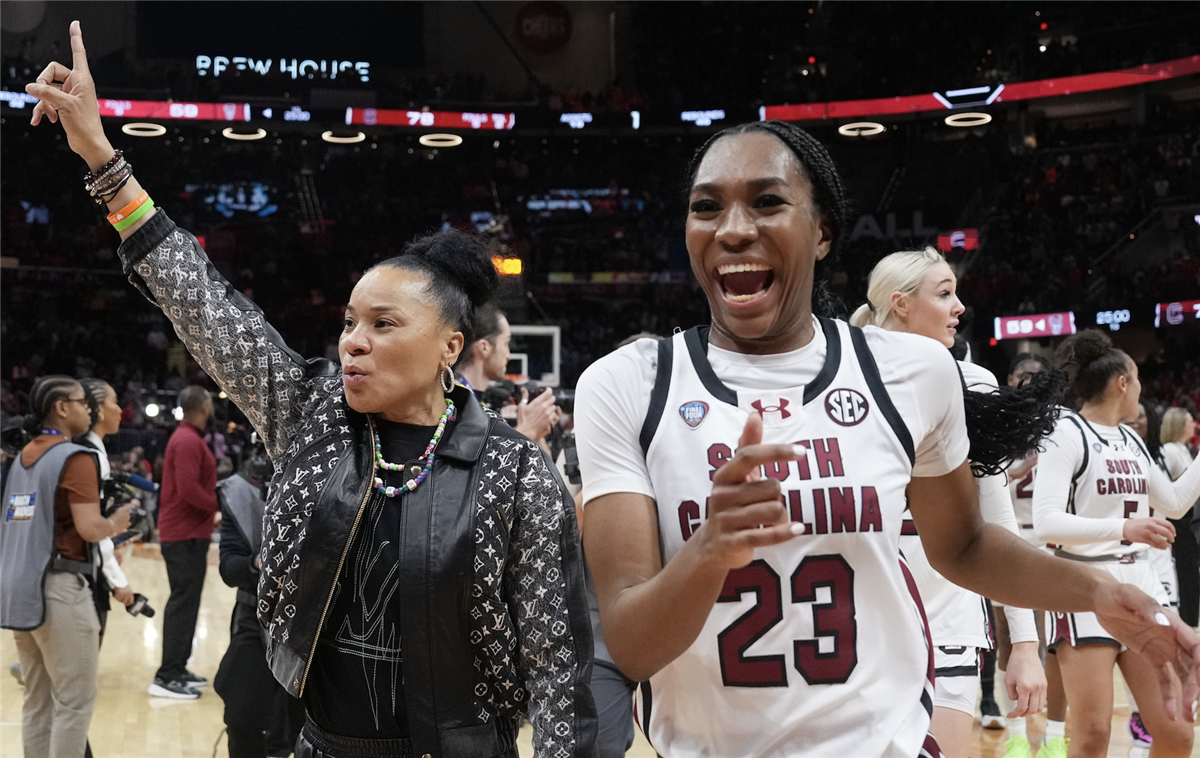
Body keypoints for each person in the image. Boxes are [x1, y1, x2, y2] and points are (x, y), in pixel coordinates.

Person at [28, 22, 595, 757]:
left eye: (383, 324)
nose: (353, 339)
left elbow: (558, 675)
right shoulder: (312, 414)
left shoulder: (516, 473)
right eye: (350, 321)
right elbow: (201, 301)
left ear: (450, 347)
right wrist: (102, 158)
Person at [573, 119, 1200, 758]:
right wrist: (709, 551)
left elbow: (965, 546)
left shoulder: (914, 372)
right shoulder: (625, 385)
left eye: (767, 201)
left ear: (822, 233)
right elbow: (630, 644)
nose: (732, 229)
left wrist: (1100, 592)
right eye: (706, 207)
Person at [848, 248, 1047, 758]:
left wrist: (1024, 644)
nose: (959, 307)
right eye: (944, 294)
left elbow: (997, 522)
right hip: (857, 623)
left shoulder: (973, 382)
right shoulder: (840, 378)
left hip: (948, 619)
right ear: (900, 303)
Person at [1034, 330, 1200, 758]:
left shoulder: (1131, 440)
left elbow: (1175, 503)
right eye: (1138, 379)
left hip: (1140, 582)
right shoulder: (1065, 432)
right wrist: (1124, 528)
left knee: (1178, 732)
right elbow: (1046, 523)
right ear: (1122, 383)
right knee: (1093, 736)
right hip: (1085, 585)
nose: (1141, 389)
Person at [0, 376, 133, 758]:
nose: (88, 409)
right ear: (61, 407)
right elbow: (90, 528)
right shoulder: (76, 457)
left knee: (37, 700)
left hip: (17, 590)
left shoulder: (23, 456)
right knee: (75, 701)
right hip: (58, 587)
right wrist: (116, 523)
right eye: (80, 402)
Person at [996, 353, 1072, 755]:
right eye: (1023, 375)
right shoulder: (996, 424)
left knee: (1057, 648)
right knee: (1009, 646)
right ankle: (1016, 736)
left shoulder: (1065, 427)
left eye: (1037, 376)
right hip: (1006, 548)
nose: (1030, 382)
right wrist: (1017, 469)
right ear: (1010, 379)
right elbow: (982, 489)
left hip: (1052, 550)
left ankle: (1055, 737)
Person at [214, 440, 305, 758]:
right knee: (243, 719)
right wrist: (260, 562)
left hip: (311, 625)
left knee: (304, 730)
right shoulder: (241, 490)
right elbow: (229, 569)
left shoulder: (337, 476)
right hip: (255, 618)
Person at [152, 384, 217, 699]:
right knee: (182, 603)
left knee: (187, 603)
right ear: (203, 406)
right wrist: (220, 507)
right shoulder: (188, 440)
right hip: (184, 533)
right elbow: (189, 490)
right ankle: (166, 675)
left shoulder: (187, 438)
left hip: (187, 532)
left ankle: (177, 668)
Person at [455, 302, 561, 447]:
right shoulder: (455, 402)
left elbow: (543, 463)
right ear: (484, 348)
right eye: (506, 343)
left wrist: (538, 433)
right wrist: (528, 430)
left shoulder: (481, 403)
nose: (509, 355)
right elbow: (477, 459)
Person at [1160, 406, 1199, 628]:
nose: (1193, 424)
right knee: (1185, 569)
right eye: (1189, 420)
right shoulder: (1170, 450)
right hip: (1179, 519)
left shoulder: (1184, 449)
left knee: (1191, 570)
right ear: (1178, 425)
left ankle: (1191, 618)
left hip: (1189, 515)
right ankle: (1186, 618)